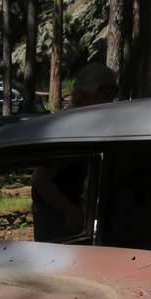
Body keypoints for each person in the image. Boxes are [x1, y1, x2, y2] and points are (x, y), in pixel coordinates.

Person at [31, 63, 118, 242]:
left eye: (115, 91)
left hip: (78, 217)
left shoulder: (91, 127)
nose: (113, 98)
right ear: (85, 97)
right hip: (57, 219)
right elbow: (40, 180)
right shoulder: (68, 131)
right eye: (106, 91)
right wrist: (76, 214)